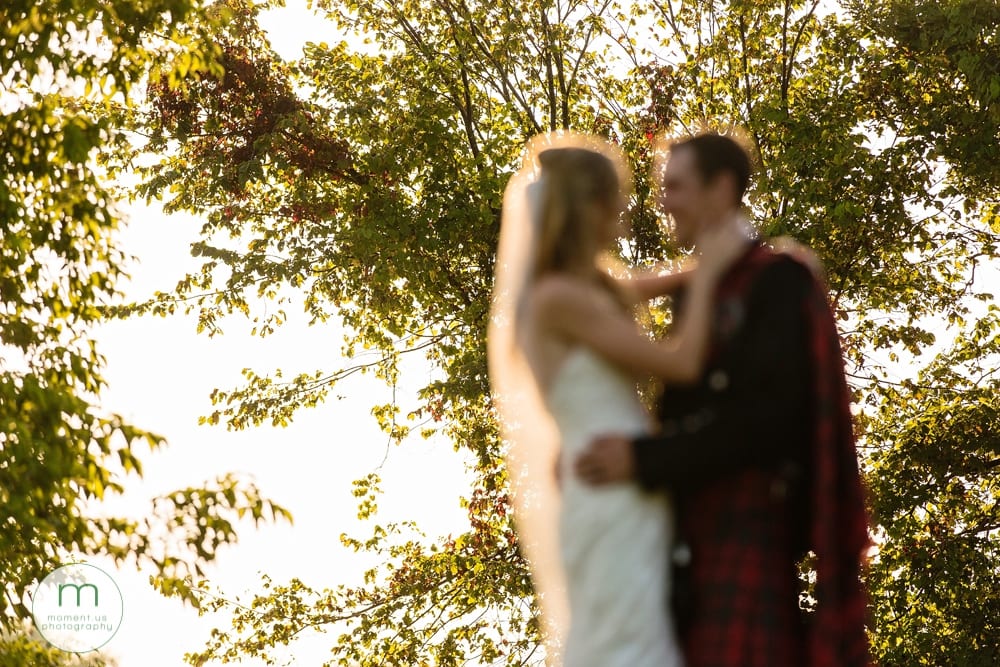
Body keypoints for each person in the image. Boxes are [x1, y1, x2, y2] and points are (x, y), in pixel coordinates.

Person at [574, 130, 871, 667]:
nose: (663, 200)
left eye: (677, 186)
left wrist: (642, 460)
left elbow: (769, 420)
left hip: (750, 529)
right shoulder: (696, 286)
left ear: (722, 188)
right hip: (681, 543)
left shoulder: (782, 280)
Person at [487, 132, 747, 666]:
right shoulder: (558, 299)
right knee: (625, 641)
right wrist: (714, 274)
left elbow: (647, 282)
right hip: (609, 489)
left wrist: (725, 260)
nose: (626, 213)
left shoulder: (590, 290)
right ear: (589, 209)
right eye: (617, 202)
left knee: (637, 629)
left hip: (626, 485)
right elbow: (681, 363)